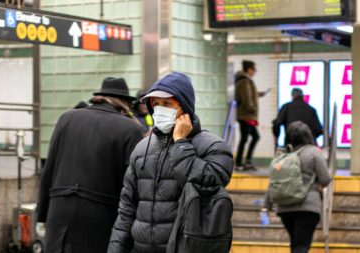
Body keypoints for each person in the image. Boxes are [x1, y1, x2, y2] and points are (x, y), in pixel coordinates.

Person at [107, 72, 234, 253]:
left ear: (185, 107)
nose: (160, 109)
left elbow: (208, 184)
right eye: (156, 104)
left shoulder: (213, 146)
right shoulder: (142, 149)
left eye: (167, 104)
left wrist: (181, 143)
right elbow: (127, 211)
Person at [36, 77, 143, 253]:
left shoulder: (67, 118)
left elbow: (50, 168)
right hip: (100, 217)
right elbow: (132, 184)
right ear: (125, 103)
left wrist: (43, 212)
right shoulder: (130, 129)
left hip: (59, 210)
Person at [262, 121, 332, 253]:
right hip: (308, 206)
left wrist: (266, 205)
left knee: (296, 243)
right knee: (302, 245)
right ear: (308, 135)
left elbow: (273, 182)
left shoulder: (282, 155)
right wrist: (318, 185)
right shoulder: (314, 152)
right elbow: (325, 178)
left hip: (285, 207)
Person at [234, 60, 267, 171]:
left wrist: (258, 94)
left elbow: (248, 95)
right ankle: (239, 163)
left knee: (252, 137)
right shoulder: (244, 81)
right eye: (254, 69)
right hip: (246, 115)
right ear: (249, 69)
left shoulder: (244, 81)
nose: (255, 71)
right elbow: (246, 99)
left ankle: (246, 161)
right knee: (246, 138)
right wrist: (253, 108)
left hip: (246, 115)